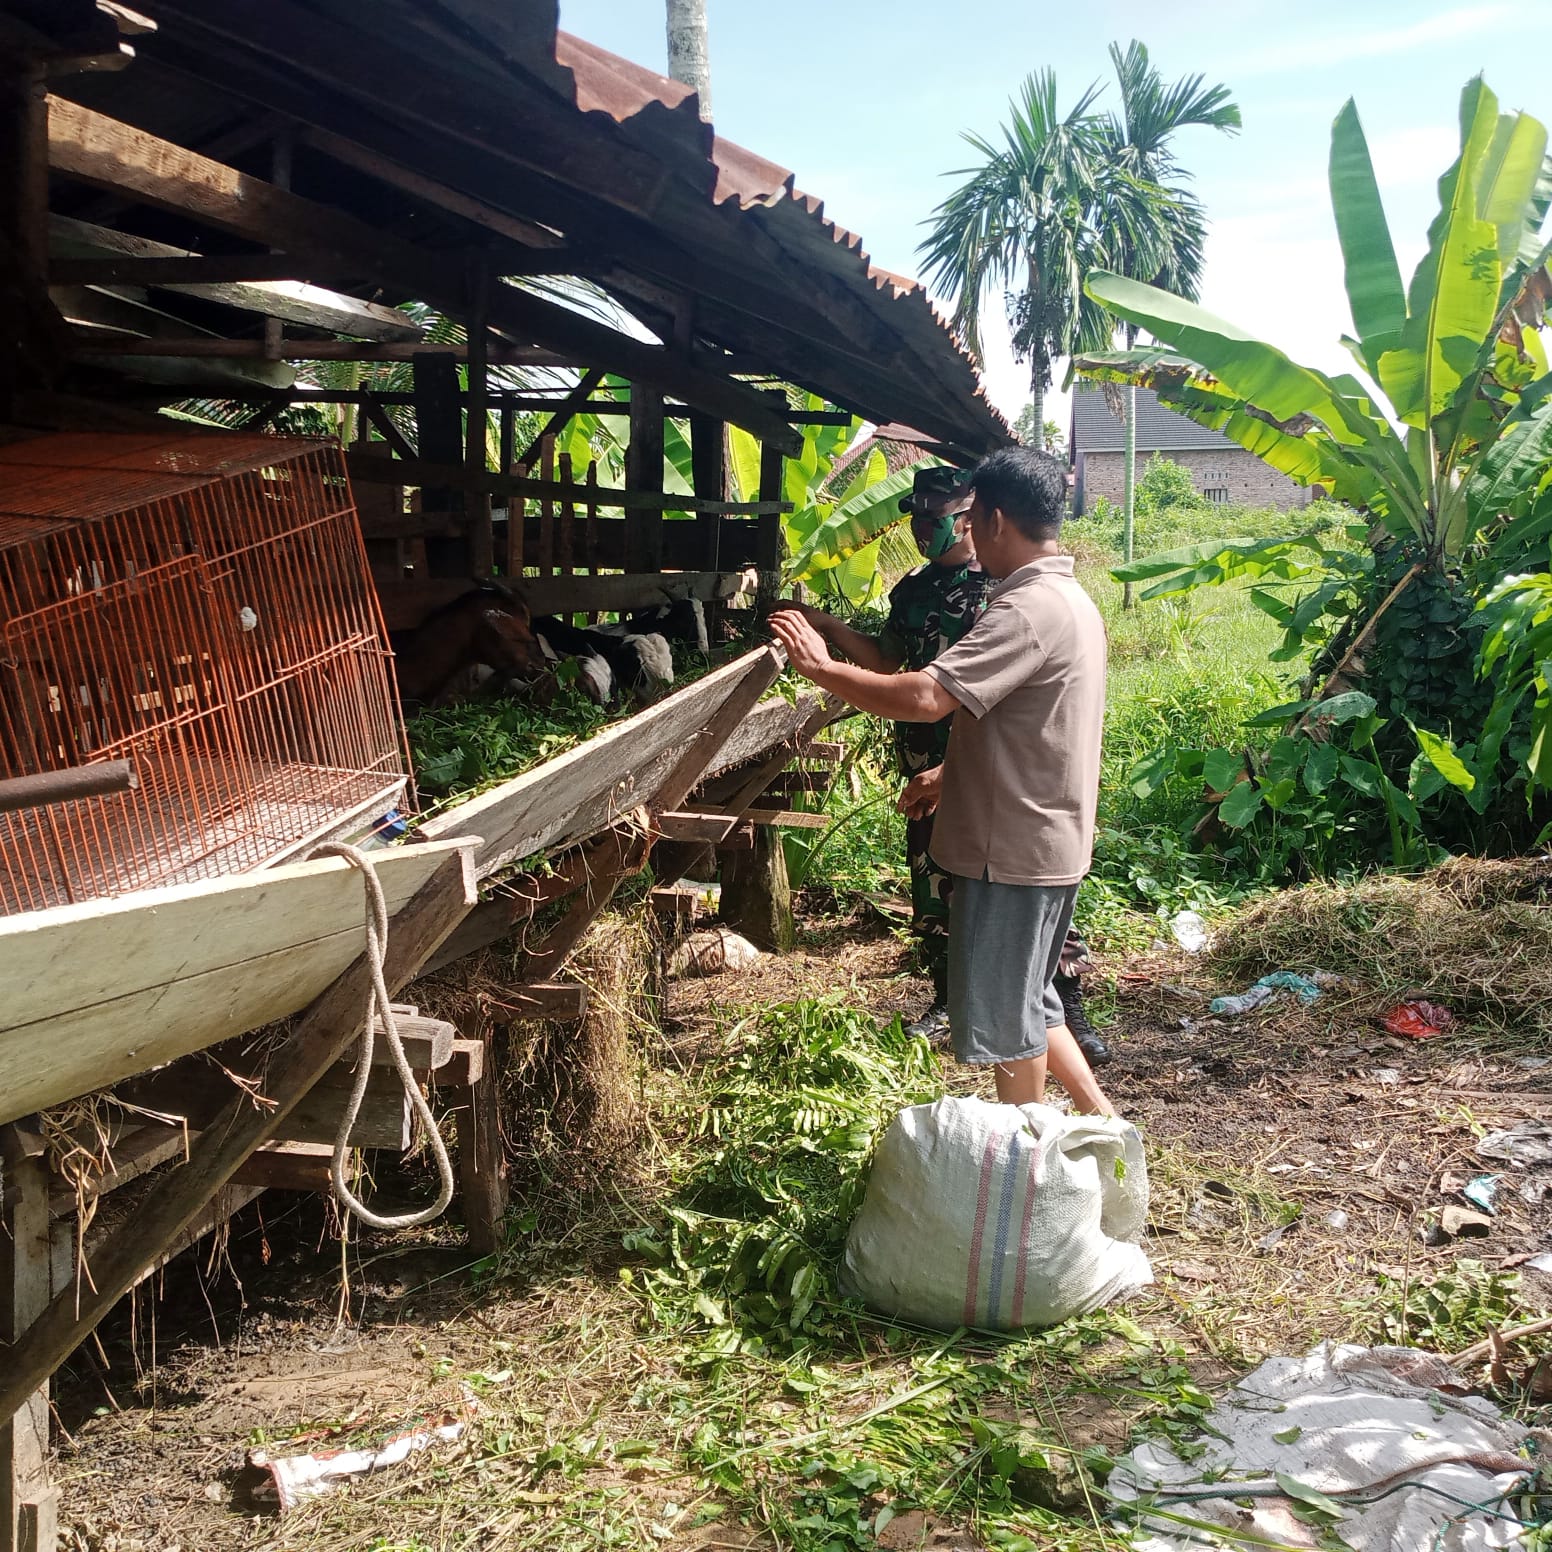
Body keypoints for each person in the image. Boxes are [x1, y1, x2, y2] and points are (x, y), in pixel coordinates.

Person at [771, 446, 1113, 1114]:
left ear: (993, 520)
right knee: (1036, 1002)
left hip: (1011, 849)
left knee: (1009, 1026)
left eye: (971, 515)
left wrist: (818, 666)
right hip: (1039, 836)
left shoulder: (1025, 610)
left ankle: (1025, 1173)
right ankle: (1107, 1129)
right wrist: (952, 772)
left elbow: (927, 698)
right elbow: (1036, 723)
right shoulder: (1068, 601)